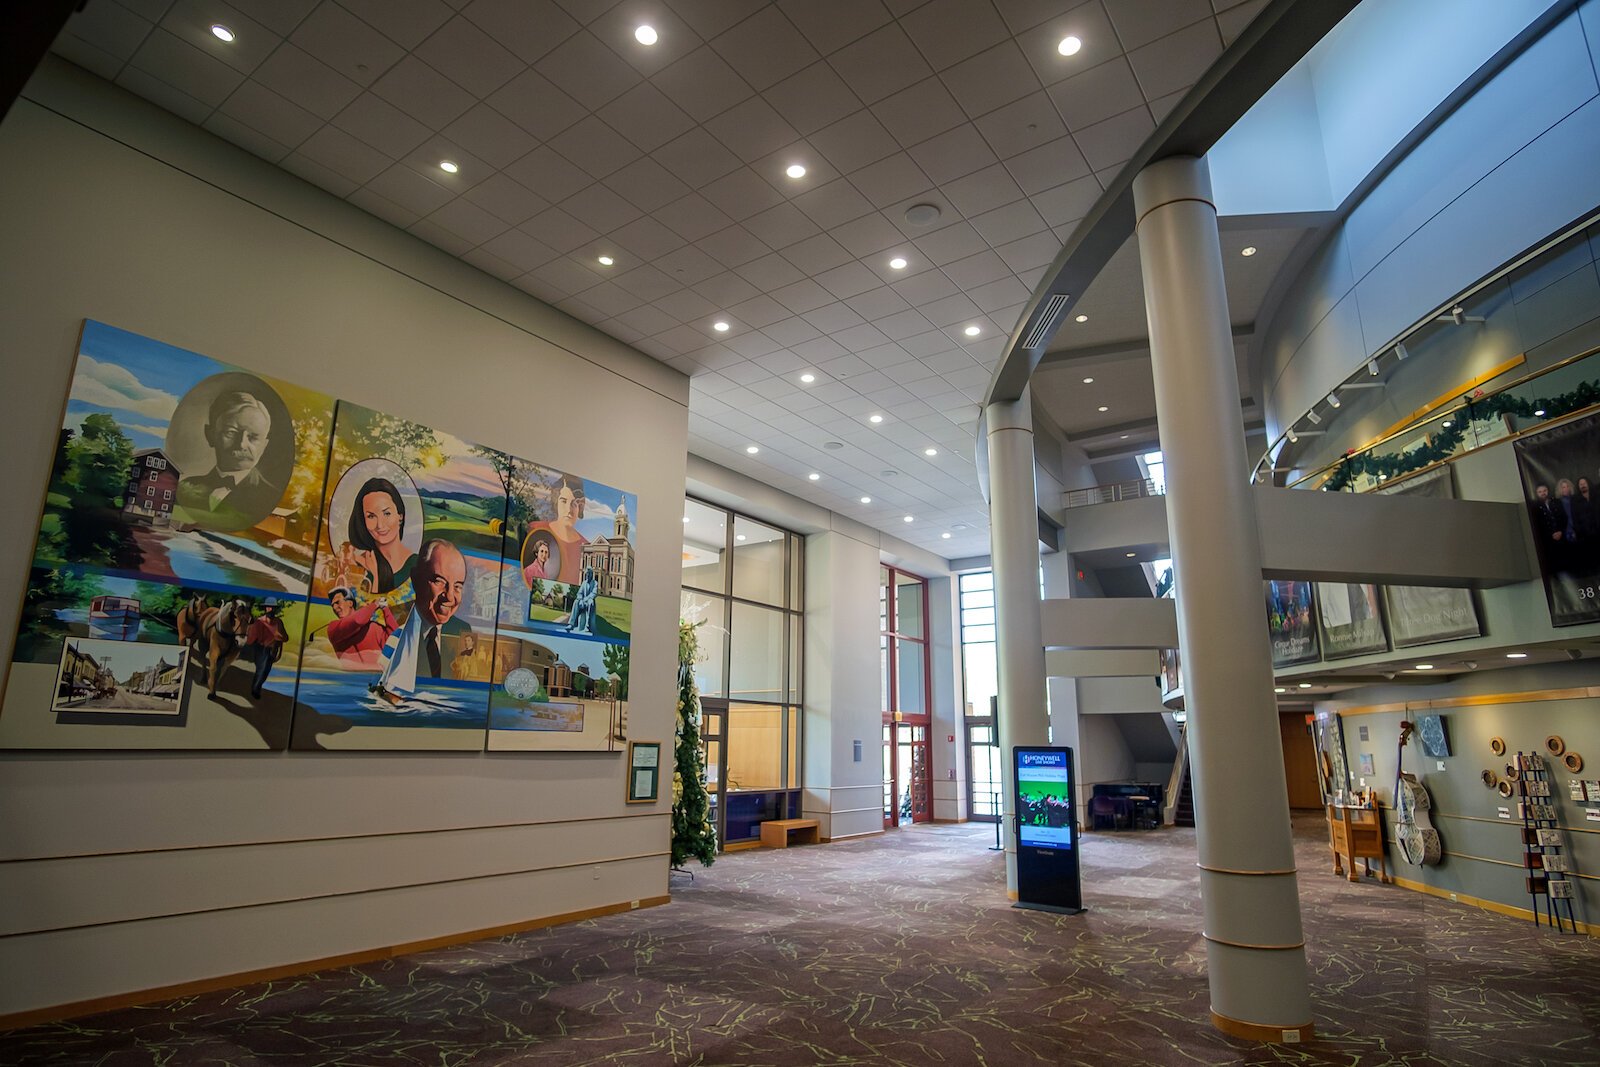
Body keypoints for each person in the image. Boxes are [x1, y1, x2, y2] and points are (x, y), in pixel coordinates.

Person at [175, 390, 283, 529]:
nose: (242, 444)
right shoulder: (184, 488)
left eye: (253, 437)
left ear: (264, 445)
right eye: (231, 432)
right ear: (210, 435)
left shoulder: (270, 498)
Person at [412, 538, 472, 678]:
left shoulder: (462, 631)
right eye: (439, 581)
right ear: (416, 579)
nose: (450, 597)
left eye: (457, 586)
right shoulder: (392, 623)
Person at [348, 478, 415, 594]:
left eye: (387, 513)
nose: (380, 525)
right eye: (371, 516)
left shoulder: (419, 565)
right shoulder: (357, 565)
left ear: (400, 516)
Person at [525, 473, 588, 585]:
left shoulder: (587, 547)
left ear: (580, 507)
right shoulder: (534, 529)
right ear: (556, 502)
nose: (568, 510)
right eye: (563, 501)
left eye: (574, 504)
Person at [324, 586, 398, 668]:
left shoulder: (373, 627)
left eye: (337, 602)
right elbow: (357, 620)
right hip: (351, 675)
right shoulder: (333, 627)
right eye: (333, 605)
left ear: (350, 603)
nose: (334, 608)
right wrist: (375, 605)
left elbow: (395, 640)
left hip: (377, 675)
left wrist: (385, 609)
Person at [243, 597, 289, 700]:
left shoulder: (279, 622)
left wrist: (279, 636)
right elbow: (251, 639)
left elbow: (286, 638)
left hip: (273, 650)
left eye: (272, 608)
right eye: (269, 607)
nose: (270, 610)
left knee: (265, 671)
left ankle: (256, 687)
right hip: (261, 649)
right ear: (265, 608)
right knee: (262, 669)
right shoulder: (259, 622)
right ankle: (256, 689)